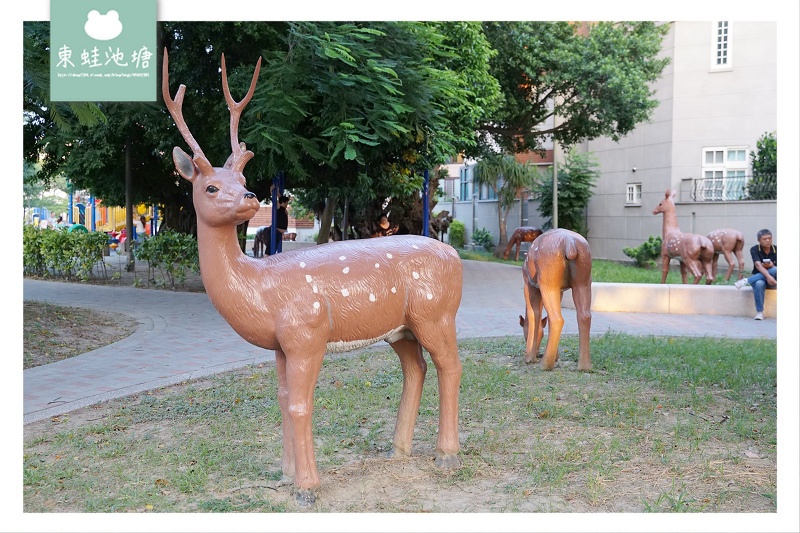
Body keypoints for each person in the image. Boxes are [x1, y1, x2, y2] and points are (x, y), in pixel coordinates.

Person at [735, 229, 777, 320]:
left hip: (774, 280)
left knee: (774, 269)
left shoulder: (777, 249)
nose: (768, 241)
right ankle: (760, 312)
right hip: (761, 279)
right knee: (759, 284)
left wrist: (772, 266)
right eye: (764, 239)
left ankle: (747, 280)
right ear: (759, 240)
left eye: (769, 238)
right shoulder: (754, 249)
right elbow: (757, 265)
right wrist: (768, 276)